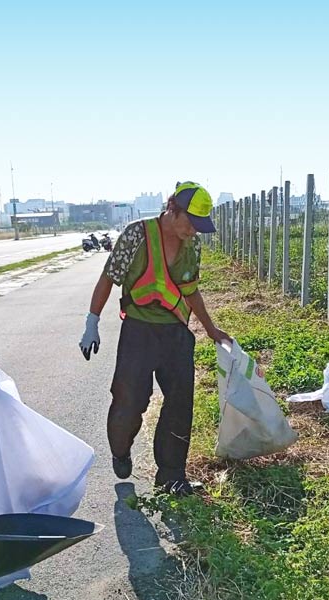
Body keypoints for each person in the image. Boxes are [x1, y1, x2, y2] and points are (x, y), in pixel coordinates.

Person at [78, 181, 230, 497]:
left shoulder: (193, 245)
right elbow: (109, 277)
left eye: (199, 226)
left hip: (175, 332)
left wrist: (211, 330)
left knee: (180, 403)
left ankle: (171, 475)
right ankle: (120, 449)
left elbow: (191, 291)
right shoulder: (136, 235)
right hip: (138, 330)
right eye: (190, 222)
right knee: (130, 400)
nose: (193, 231)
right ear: (172, 209)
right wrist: (91, 322)